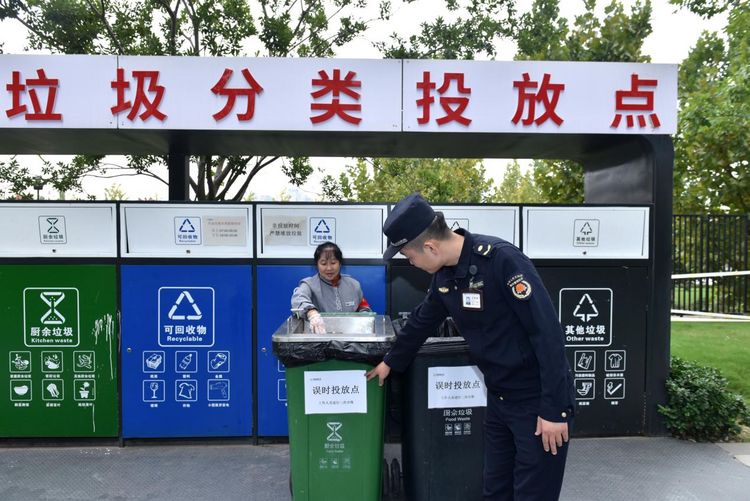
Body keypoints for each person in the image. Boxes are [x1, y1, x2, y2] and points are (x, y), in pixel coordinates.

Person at [365, 193, 575, 501]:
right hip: (500, 400)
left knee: (533, 494)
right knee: (495, 491)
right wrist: (390, 361)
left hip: (537, 401)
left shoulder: (502, 260)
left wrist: (555, 410)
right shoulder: (445, 277)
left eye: (410, 257)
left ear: (430, 247)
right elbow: (423, 320)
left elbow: (548, 334)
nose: (412, 264)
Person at [291, 242, 372, 334]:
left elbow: (362, 306)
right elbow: (298, 299)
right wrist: (312, 313)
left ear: (340, 263)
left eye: (333, 263)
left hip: (349, 339)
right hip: (319, 340)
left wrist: (364, 317)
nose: (329, 268)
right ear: (317, 265)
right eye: (324, 263)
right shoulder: (309, 284)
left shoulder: (353, 284)